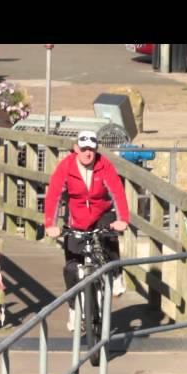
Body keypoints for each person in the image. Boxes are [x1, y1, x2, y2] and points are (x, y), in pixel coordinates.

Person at [44, 130, 129, 331]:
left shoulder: (104, 165)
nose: (88, 153)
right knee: (72, 267)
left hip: (102, 213)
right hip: (77, 218)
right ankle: (74, 309)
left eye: (91, 149)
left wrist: (123, 219)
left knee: (109, 239)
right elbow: (54, 195)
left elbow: (117, 192)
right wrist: (50, 224)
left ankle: (115, 274)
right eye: (83, 149)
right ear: (76, 149)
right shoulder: (66, 166)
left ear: (96, 149)